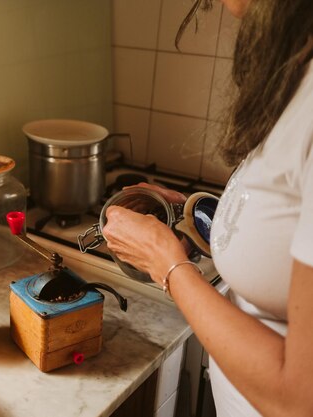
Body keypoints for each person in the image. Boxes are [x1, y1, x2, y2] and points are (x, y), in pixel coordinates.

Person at [101, 1, 313, 416]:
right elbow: (284, 227)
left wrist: (166, 264)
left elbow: (298, 399)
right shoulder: (298, 72)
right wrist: (196, 217)